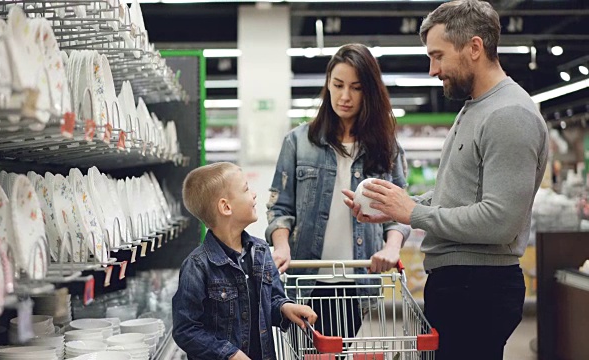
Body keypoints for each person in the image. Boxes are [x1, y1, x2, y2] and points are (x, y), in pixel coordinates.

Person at [342, 1, 549, 359]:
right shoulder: (477, 107)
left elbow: (500, 221)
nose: (432, 70)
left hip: (479, 289)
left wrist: (413, 214)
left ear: (474, 47)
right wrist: (397, 208)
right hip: (461, 285)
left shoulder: (509, 114)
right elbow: (460, 197)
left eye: (438, 56)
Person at [266, 43, 410, 339]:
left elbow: (400, 212)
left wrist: (391, 247)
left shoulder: (386, 148)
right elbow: (280, 208)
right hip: (304, 280)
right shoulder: (298, 142)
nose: (345, 96)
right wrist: (281, 246)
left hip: (355, 283)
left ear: (368, 92)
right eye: (338, 85)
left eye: (356, 88)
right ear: (328, 85)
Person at [172, 162, 317, 360]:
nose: (254, 194)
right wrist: (229, 354)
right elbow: (186, 330)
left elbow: (272, 299)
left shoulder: (261, 251)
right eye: (246, 189)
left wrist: (286, 307)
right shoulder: (197, 266)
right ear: (225, 206)